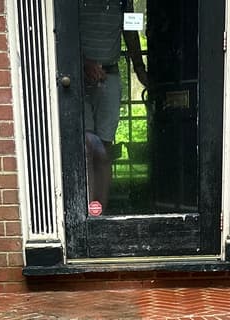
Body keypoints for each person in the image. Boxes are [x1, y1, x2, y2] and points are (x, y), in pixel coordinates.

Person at [79, 0, 147, 212]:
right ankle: (86, 213)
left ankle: (99, 213)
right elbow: (63, 32)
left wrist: (139, 68)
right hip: (76, 76)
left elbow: (131, 30)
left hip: (110, 74)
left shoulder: (122, 1)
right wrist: (82, 63)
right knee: (86, 146)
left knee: (104, 147)